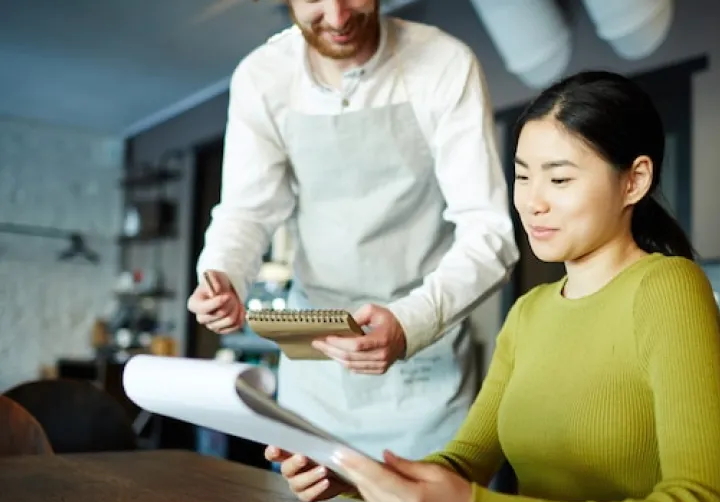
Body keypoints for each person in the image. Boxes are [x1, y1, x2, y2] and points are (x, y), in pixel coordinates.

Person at [266, 70, 720, 502]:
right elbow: (465, 462)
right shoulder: (529, 312)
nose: (532, 201)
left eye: (559, 179)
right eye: (522, 176)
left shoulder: (668, 288)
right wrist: (361, 478)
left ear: (634, 181)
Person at [187, 0, 519, 461]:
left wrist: (410, 322)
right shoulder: (261, 77)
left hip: (425, 372)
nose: (339, 17)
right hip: (315, 375)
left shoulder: (445, 63)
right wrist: (222, 274)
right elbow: (247, 210)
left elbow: (490, 234)